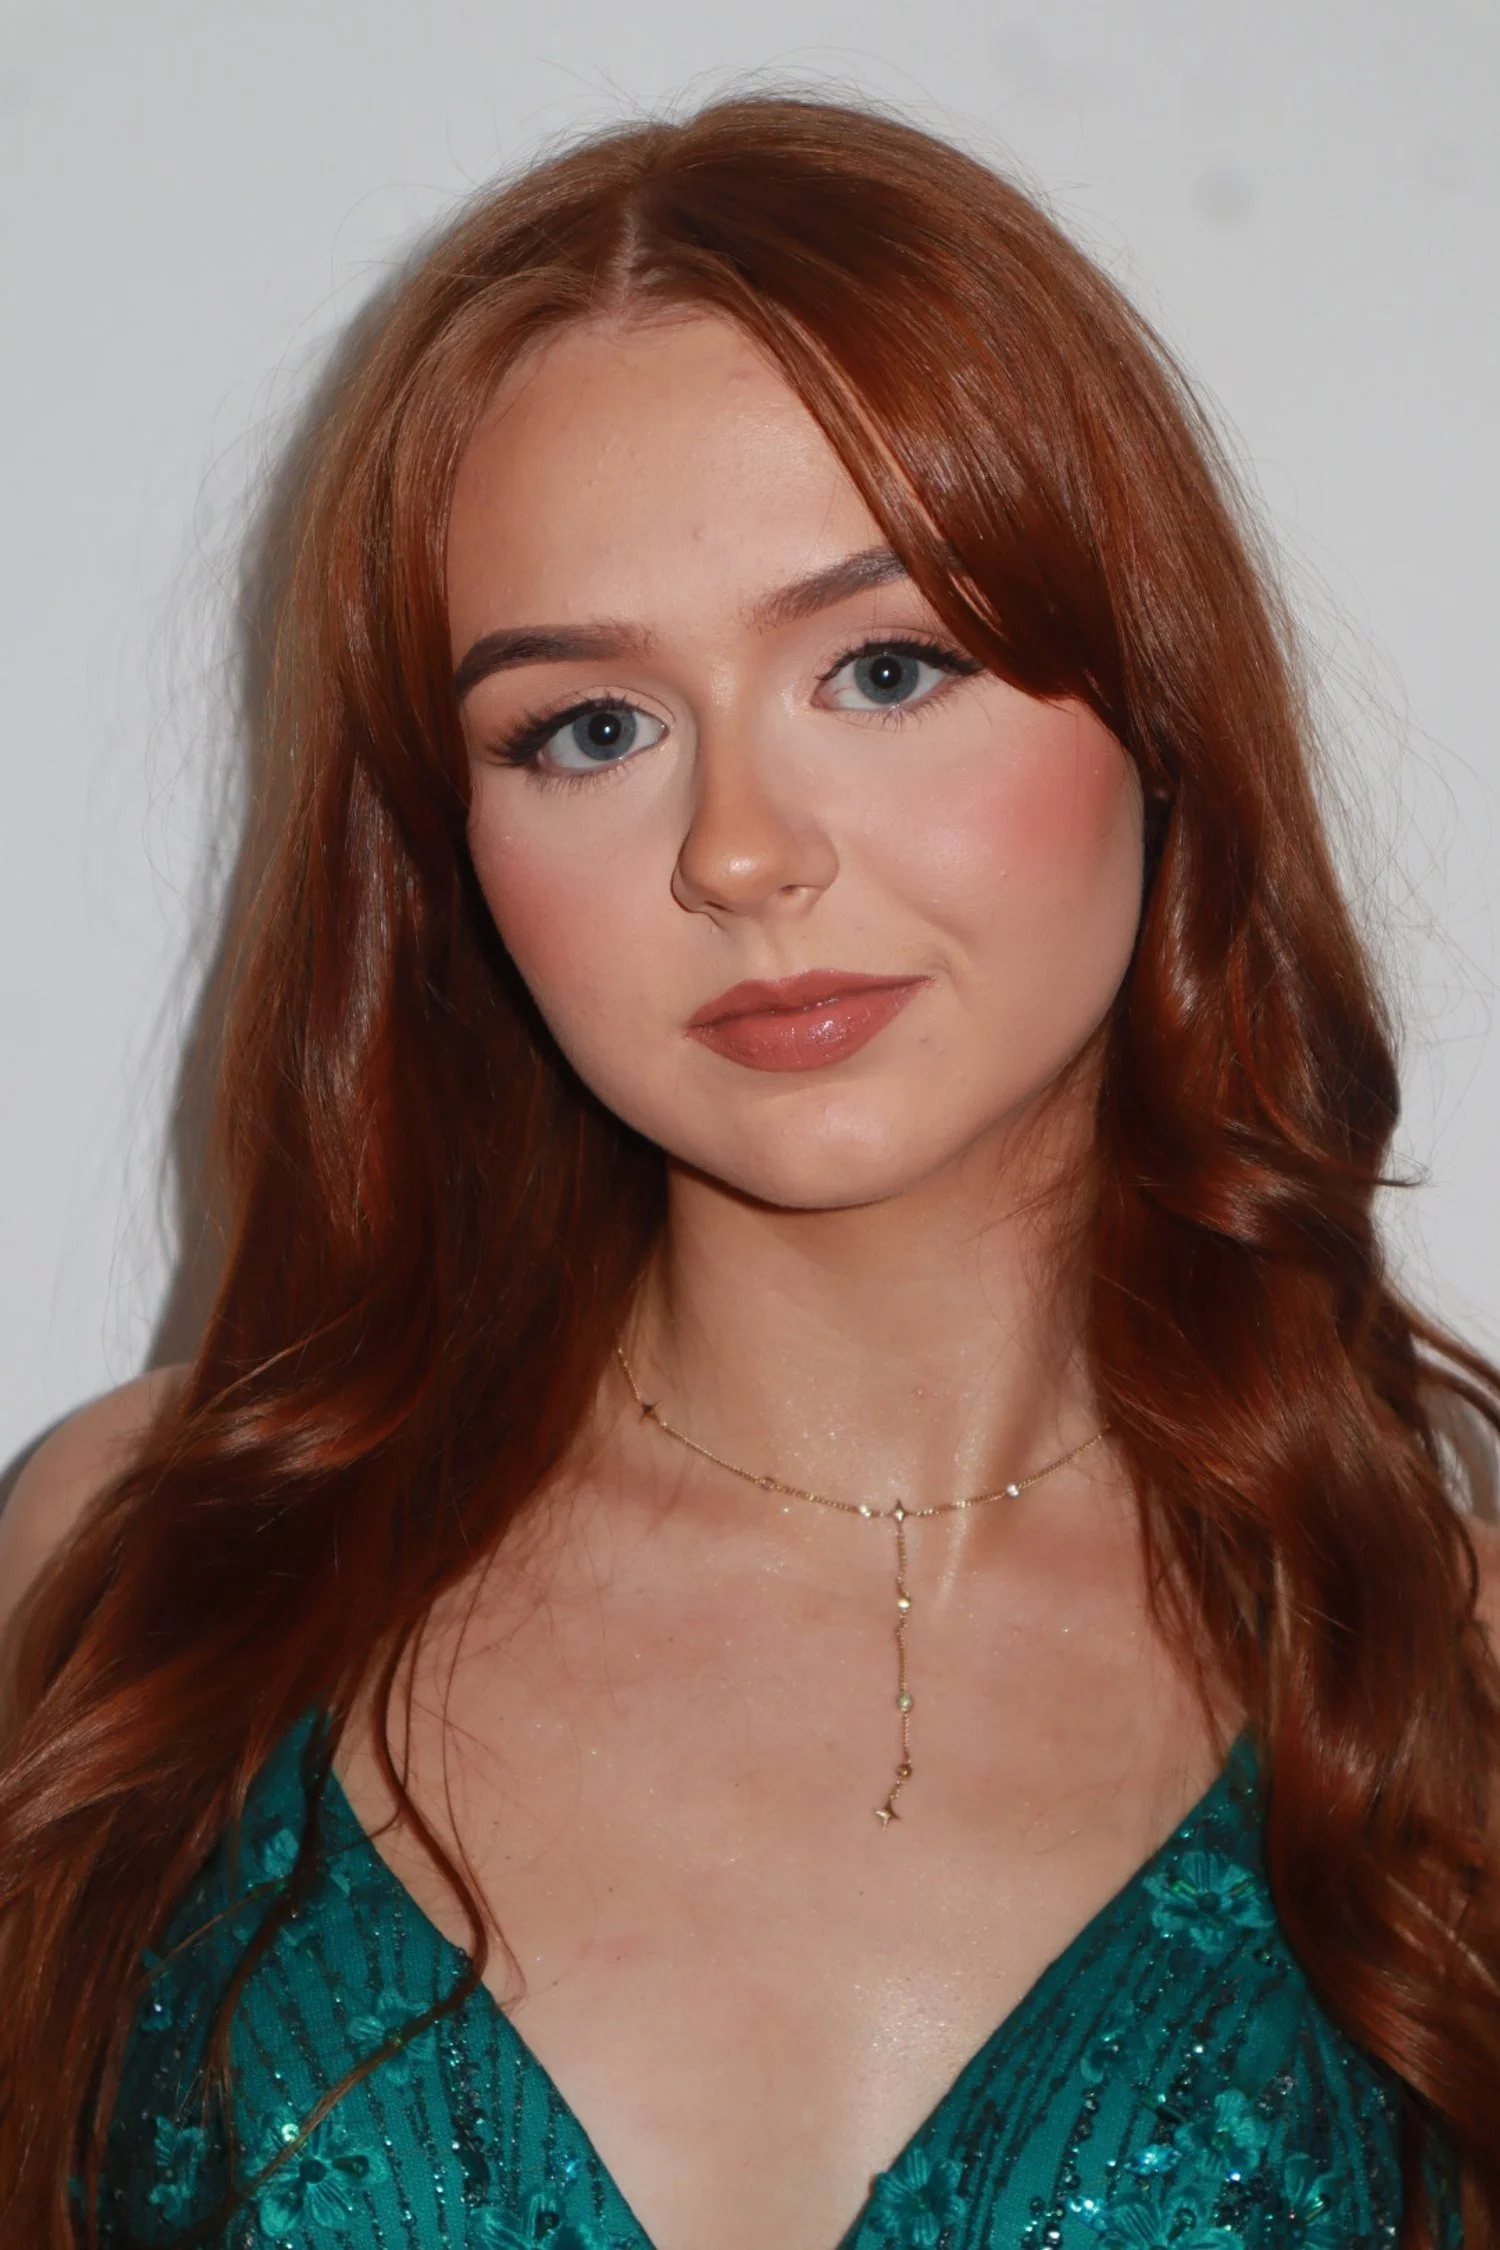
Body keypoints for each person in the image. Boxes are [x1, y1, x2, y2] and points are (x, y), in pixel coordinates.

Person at [1, 91, 1497, 2250]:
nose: (738, 851)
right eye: (586, 730)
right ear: (448, 861)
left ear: (1158, 715)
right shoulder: (147, 1568)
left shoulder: (1448, 1688)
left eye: (884, 668)